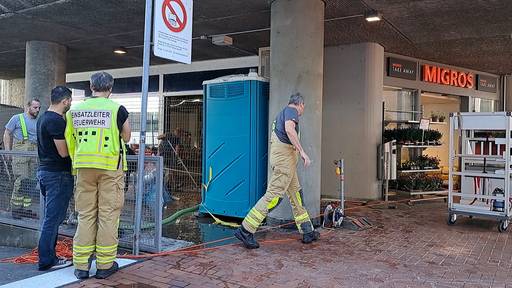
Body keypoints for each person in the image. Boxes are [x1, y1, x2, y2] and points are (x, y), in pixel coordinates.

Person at [65, 72, 131, 280]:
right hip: (110, 168)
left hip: (84, 167)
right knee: (108, 215)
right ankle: (104, 264)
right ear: (110, 88)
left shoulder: (74, 110)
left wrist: (78, 161)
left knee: (85, 215)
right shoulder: (117, 109)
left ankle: (81, 265)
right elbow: (127, 136)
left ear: (90, 87)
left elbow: (70, 140)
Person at [234, 93, 320, 249]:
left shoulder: (283, 113)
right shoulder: (291, 111)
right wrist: (302, 152)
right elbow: (289, 129)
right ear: (300, 104)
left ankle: (307, 231)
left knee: (296, 196)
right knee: (273, 197)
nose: (302, 111)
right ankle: (246, 230)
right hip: (285, 162)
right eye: (303, 107)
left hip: (286, 163)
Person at [36, 86, 74, 271]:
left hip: (45, 172)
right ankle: (47, 260)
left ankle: (48, 256)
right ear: (65, 101)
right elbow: (63, 152)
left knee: (50, 218)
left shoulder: (43, 117)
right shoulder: (56, 121)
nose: (70, 104)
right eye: (70, 101)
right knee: (52, 219)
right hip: (58, 175)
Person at [3, 98, 40, 219]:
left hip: (34, 152)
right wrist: (8, 151)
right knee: (21, 180)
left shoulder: (38, 121)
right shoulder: (17, 118)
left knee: (31, 181)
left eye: (39, 108)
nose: (37, 110)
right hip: (20, 151)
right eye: (35, 107)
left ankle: (25, 209)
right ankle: (15, 209)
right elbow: (7, 133)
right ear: (28, 106)